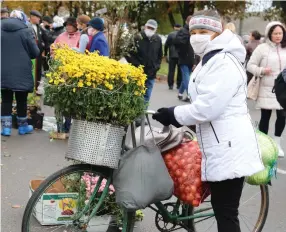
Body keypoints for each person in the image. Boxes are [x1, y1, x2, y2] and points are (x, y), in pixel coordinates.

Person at [153, 10, 264, 232]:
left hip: (230, 147)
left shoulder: (223, 62)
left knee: (226, 214)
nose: (197, 36)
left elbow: (208, 108)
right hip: (220, 144)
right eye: (193, 31)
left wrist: (174, 114)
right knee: (222, 209)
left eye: (203, 31)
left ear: (216, 33)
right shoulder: (210, 58)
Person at [247, 21, 286, 158]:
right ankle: (263, 145)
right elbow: (250, 65)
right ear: (269, 33)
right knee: (266, 117)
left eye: (280, 33)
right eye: (275, 33)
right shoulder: (262, 48)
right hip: (266, 88)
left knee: (282, 116)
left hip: (283, 89)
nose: (278, 36)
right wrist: (262, 70)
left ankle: (277, 144)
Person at [1, 10, 40, 136]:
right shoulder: (26, 30)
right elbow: (35, 52)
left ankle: (6, 128)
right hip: (22, 70)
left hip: (3, 69)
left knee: (6, 99)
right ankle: (22, 127)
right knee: (21, 99)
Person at [53, 17, 81, 134]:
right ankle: (59, 125)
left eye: (70, 25)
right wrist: (55, 55)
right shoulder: (61, 36)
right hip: (60, 71)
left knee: (70, 99)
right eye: (67, 25)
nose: (68, 27)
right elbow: (53, 49)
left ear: (75, 26)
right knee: (59, 98)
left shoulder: (80, 36)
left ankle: (68, 123)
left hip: (74, 72)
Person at [125, 19, 162, 104]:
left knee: (147, 96)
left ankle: (142, 114)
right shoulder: (137, 37)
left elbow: (159, 56)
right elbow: (129, 54)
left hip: (151, 73)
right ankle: (135, 114)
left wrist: (156, 67)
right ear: (145, 27)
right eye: (148, 27)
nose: (150, 30)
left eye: (152, 28)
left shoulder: (157, 40)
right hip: (137, 73)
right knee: (135, 95)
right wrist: (137, 66)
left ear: (155, 29)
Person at [174, 16, 195, 102]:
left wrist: (179, 51)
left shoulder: (183, 31)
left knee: (186, 77)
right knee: (186, 76)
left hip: (184, 57)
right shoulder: (194, 32)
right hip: (191, 57)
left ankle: (190, 95)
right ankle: (180, 93)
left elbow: (177, 42)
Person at [29, 10, 49, 91]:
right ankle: (30, 89)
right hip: (29, 54)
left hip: (39, 53)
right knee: (31, 70)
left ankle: (36, 88)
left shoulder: (39, 28)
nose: (39, 20)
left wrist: (46, 50)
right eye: (38, 18)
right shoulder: (27, 26)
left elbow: (46, 39)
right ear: (32, 17)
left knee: (38, 70)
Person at [164, 24, 182, 90]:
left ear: (174, 27)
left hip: (172, 55)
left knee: (171, 70)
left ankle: (170, 84)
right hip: (180, 55)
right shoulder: (182, 35)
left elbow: (166, 45)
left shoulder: (170, 35)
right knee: (180, 71)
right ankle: (179, 84)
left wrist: (165, 54)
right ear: (180, 28)